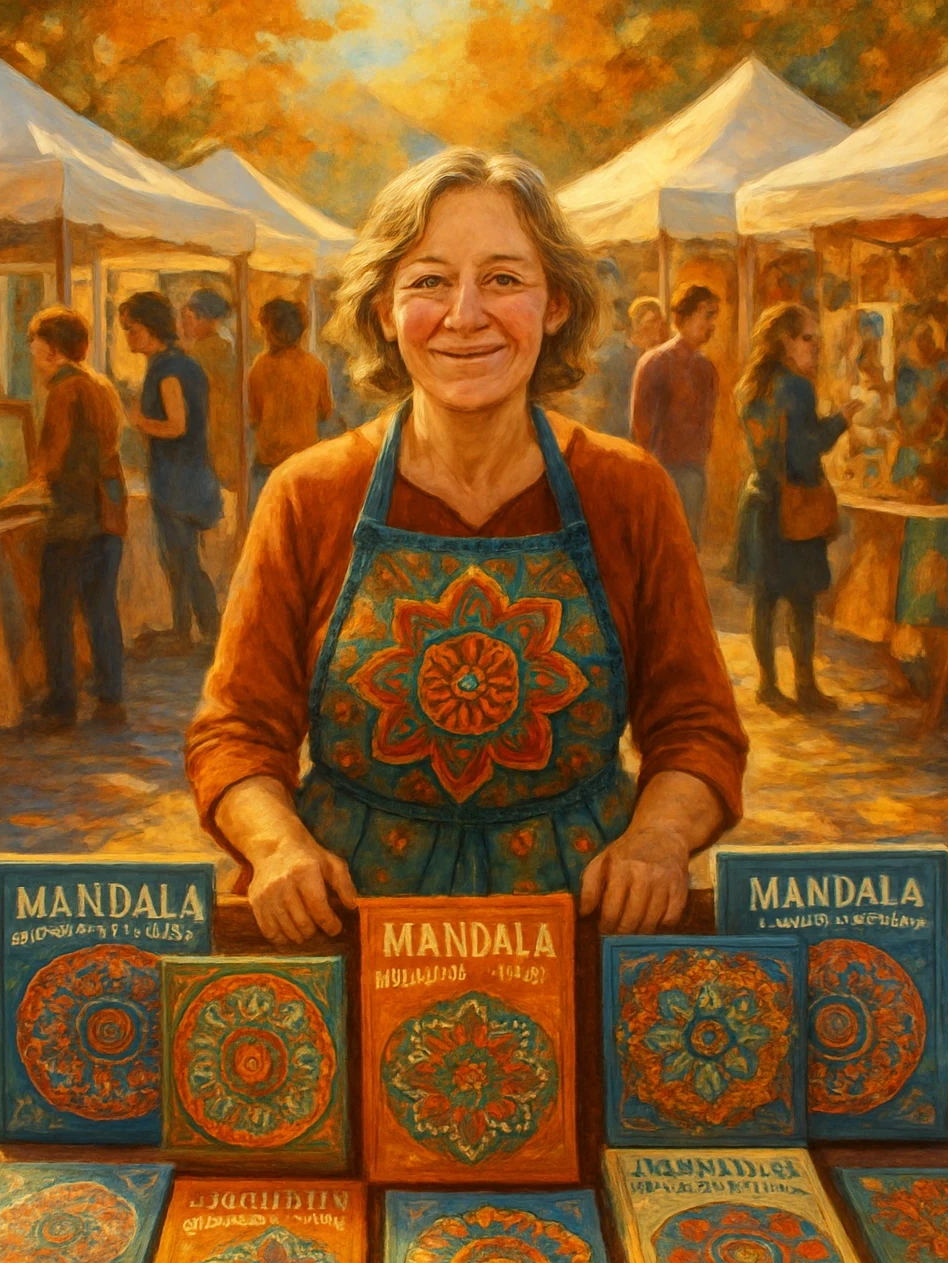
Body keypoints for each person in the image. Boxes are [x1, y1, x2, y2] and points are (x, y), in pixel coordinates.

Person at [185, 147, 747, 947]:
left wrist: (657, 839)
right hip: (349, 927)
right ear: (384, 308)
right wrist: (278, 848)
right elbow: (235, 731)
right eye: (428, 281)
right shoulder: (311, 494)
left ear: (555, 304)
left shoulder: (628, 488)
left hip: (580, 927)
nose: (465, 313)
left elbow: (697, 727)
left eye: (505, 279)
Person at [0, 306, 127, 730]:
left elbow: (51, 465)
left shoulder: (63, 392)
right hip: (106, 516)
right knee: (100, 609)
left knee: (54, 612)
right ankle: (110, 699)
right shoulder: (100, 385)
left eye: (35, 341)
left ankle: (61, 704)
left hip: (72, 519)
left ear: (53, 349)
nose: (31, 349)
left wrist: (8, 499)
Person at [734, 302, 859, 715]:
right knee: (802, 600)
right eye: (808, 339)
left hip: (759, 502)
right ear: (783, 341)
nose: (816, 348)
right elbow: (805, 453)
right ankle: (805, 687)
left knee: (764, 599)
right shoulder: (796, 388)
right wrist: (840, 420)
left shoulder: (750, 386)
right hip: (794, 508)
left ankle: (768, 687)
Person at [121, 291, 222, 653]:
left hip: (177, 479)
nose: (128, 336)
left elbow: (176, 425)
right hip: (190, 474)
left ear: (151, 328)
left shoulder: (166, 369)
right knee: (184, 558)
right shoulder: (182, 364)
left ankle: (188, 633)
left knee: (179, 558)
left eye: (132, 329)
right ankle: (206, 629)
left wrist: (139, 422)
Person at [631, 283, 720, 547]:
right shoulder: (655, 362)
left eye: (714, 316)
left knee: (687, 544)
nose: (712, 324)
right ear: (685, 317)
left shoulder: (706, 369)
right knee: (659, 543)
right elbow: (641, 425)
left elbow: (707, 425)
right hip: (660, 469)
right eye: (707, 315)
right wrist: (649, 470)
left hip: (693, 471)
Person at [247, 297, 333, 510]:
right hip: (305, 460)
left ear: (274, 330)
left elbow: (254, 416)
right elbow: (326, 411)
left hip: (270, 462)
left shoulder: (260, 367)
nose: (264, 334)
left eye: (265, 328)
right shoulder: (315, 366)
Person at [181, 288, 236, 490]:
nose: (185, 325)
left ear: (205, 319)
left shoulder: (201, 353)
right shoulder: (224, 348)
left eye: (189, 318)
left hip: (212, 430)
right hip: (219, 431)